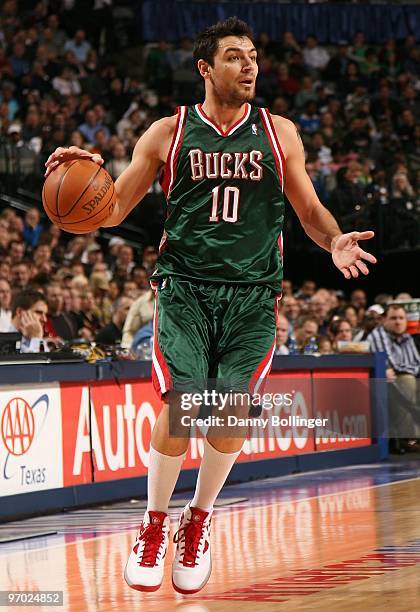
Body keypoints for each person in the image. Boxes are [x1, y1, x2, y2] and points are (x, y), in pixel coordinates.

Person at [45, 17, 377, 595]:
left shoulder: (279, 133)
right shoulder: (167, 132)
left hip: (252, 295)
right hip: (185, 288)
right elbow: (112, 209)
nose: (249, 66)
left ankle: (196, 519)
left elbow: (309, 210)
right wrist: (83, 177)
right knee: (183, 402)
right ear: (205, 68)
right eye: (233, 57)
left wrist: (334, 240)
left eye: (252, 57)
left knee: (226, 420)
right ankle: (153, 523)